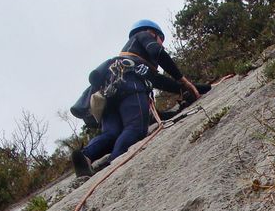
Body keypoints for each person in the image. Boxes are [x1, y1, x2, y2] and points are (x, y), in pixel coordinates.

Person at [71, 19, 202, 178]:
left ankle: (86, 156)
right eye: (161, 39)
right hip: (130, 86)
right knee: (135, 128)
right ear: (153, 33)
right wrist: (183, 79)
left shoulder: (131, 63)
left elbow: (163, 85)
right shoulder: (143, 35)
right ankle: (114, 162)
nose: (162, 44)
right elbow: (158, 53)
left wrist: (196, 89)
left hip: (108, 93)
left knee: (112, 133)